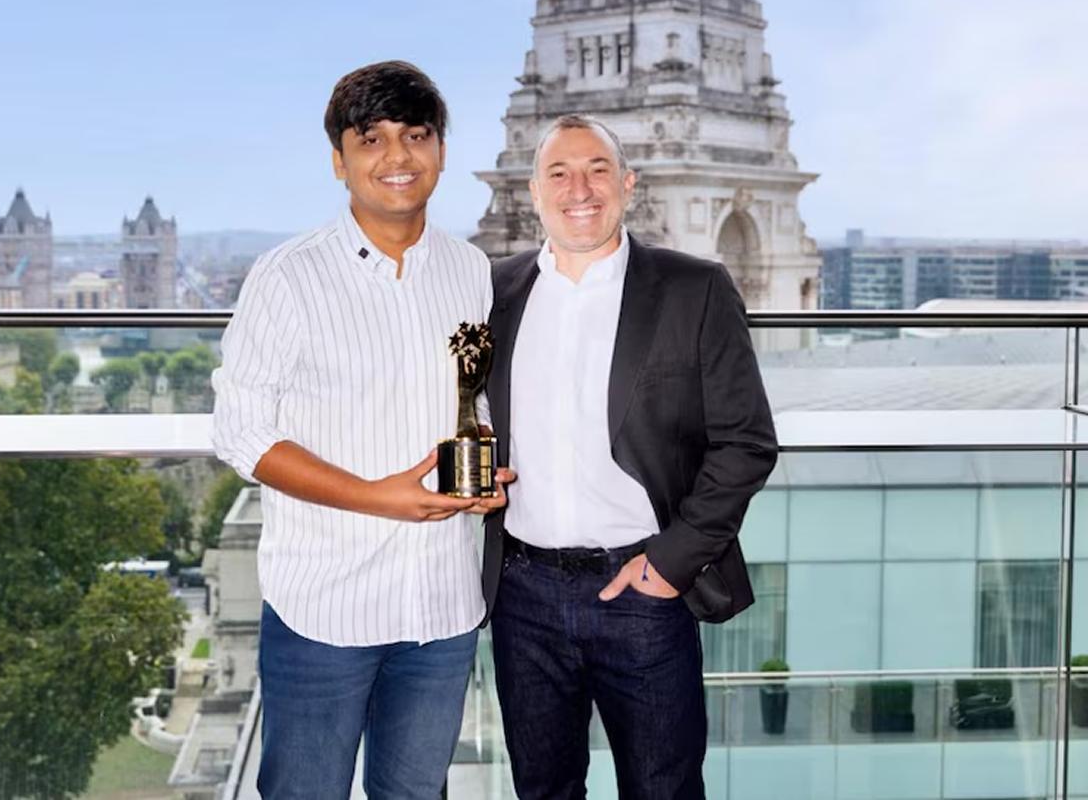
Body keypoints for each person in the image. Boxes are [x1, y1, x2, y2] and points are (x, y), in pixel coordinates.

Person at [212, 60, 509, 800]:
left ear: (441, 150)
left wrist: (484, 469)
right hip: (325, 607)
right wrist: (377, 496)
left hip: (443, 605)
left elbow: (469, 398)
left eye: (416, 135)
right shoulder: (287, 276)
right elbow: (241, 432)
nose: (397, 157)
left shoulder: (471, 269)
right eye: (371, 139)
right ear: (339, 161)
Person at [482, 114, 778, 799]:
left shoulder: (694, 289)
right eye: (559, 173)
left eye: (597, 171)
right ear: (534, 191)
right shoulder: (494, 292)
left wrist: (670, 565)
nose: (579, 189)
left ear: (628, 184)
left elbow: (746, 442)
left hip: (642, 592)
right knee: (542, 791)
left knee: (663, 791)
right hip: (523, 597)